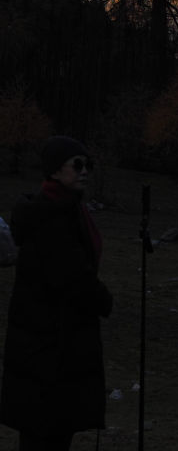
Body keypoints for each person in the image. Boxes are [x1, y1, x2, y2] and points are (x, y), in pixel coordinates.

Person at [0, 136, 113, 451]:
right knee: (44, 433)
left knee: (49, 431)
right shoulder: (51, 216)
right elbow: (71, 275)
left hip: (54, 344)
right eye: (77, 164)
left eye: (88, 164)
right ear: (54, 170)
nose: (85, 171)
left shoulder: (66, 209)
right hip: (47, 347)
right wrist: (103, 299)